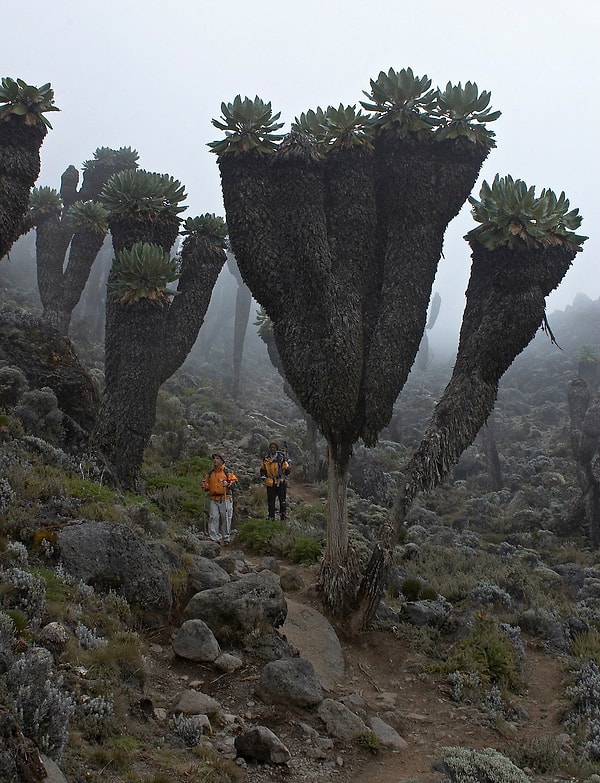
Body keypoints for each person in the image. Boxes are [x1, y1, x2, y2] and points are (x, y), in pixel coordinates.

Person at [202, 453, 238, 544]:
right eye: (214, 458)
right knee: (213, 517)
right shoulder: (210, 473)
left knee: (226, 517)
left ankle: (226, 537)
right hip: (214, 499)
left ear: (222, 460)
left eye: (217, 458)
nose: (215, 460)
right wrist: (205, 485)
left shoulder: (227, 471)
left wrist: (228, 484)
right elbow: (207, 484)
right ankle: (214, 538)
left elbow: (234, 483)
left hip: (225, 497)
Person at [260, 441, 291, 521]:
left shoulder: (281, 458)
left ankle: (283, 517)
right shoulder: (266, 458)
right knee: (271, 501)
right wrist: (263, 477)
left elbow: (286, 470)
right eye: (271, 447)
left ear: (276, 449)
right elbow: (262, 469)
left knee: (282, 500)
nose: (272, 449)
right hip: (270, 482)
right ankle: (271, 517)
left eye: (274, 447)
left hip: (280, 481)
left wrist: (287, 470)